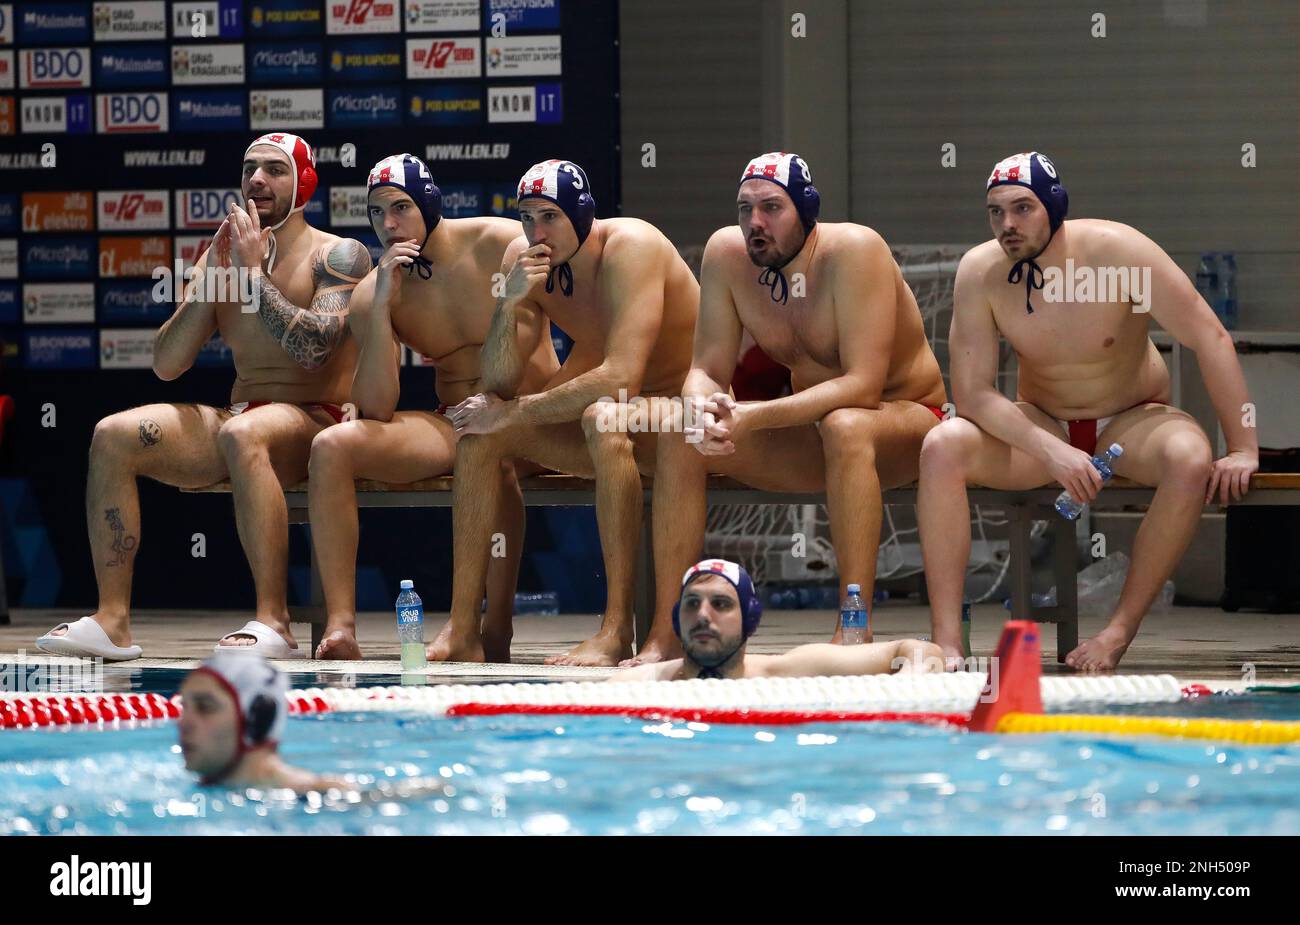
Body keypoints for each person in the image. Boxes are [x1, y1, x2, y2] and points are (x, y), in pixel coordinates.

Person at [918, 151, 1259, 671]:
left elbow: (1208, 337)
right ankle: (946, 643)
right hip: (1043, 422)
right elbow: (974, 394)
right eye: (995, 212)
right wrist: (1051, 451)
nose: (1007, 225)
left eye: (1022, 208)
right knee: (942, 446)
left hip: (1132, 418)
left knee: (1190, 458)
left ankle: (1118, 632)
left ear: (1054, 206)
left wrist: (1242, 446)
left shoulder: (1118, 252)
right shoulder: (981, 271)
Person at [37, 133, 371, 662]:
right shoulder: (223, 256)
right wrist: (215, 277)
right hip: (241, 417)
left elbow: (316, 351)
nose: (257, 179)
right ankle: (113, 620)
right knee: (114, 434)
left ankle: (273, 620)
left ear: (304, 183)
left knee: (244, 433)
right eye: (249, 169)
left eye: (274, 170)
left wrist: (254, 276)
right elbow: (168, 364)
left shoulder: (339, 255)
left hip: (317, 420)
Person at [624, 152, 947, 667]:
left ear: (806, 211)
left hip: (907, 423)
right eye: (745, 208)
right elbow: (706, 367)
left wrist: (754, 415)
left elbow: (863, 386)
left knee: (847, 425)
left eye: (772, 207)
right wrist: (698, 408)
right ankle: (666, 632)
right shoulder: (726, 255)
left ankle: (854, 621)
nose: (755, 223)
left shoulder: (855, 251)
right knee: (677, 431)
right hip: (816, 433)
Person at [439, 159, 699, 666]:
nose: (537, 232)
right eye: (527, 217)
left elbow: (623, 375)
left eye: (550, 217)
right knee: (479, 433)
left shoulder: (632, 248)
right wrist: (507, 304)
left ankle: (616, 629)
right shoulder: (526, 261)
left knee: (602, 417)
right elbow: (498, 383)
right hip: (603, 412)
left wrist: (515, 414)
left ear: (581, 217)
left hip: (677, 419)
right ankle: (467, 628)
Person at [306, 154, 558, 661]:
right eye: (377, 213)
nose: (390, 224)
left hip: (536, 416)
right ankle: (341, 627)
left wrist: (498, 411)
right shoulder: (377, 289)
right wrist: (378, 310)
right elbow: (375, 407)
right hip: (457, 419)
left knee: (488, 448)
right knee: (332, 445)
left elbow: (512, 366)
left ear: (430, 202)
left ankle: (495, 628)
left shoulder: (500, 244)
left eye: (401, 207)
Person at [612, 558, 942, 681]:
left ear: (750, 619)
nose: (702, 615)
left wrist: (911, 678)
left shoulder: (788, 671)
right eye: (692, 603)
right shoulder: (640, 683)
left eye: (721, 604)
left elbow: (917, 649)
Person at [179, 652, 348, 790]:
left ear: (257, 717)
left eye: (205, 707)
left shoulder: (324, 799)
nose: (183, 723)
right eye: (184, 706)